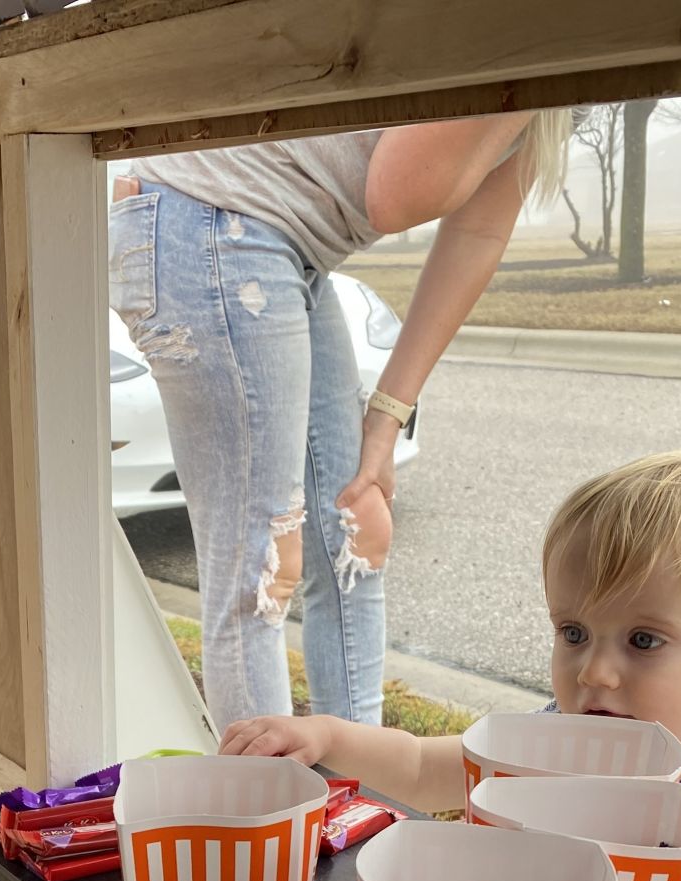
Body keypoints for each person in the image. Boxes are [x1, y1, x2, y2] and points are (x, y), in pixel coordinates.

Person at [222, 448, 681, 881]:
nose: (595, 670)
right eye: (573, 633)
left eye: (644, 641)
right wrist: (329, 737)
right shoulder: (555, 743)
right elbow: (421, 769)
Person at [109, 114, 570, 734]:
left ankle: (357, 789)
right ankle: (264, 821)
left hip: (289, 244)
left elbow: (478, 232)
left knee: (352, 536)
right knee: (260, 576)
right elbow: (397, 192)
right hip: (212, 217)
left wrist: (385, 421)